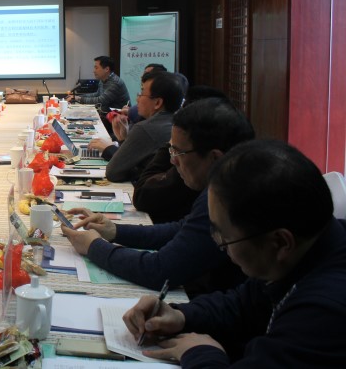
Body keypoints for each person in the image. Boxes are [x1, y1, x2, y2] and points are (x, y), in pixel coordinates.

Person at [123, 140, 346, 367]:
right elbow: (243, 304)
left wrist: (201, 353)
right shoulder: (303, 250)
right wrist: (182, 315)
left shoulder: (324, 315)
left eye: (224, 237)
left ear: (280, 242)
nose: (219, 245)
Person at [61, 98, 254, 298]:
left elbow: (160, 270)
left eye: (178, 152)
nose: (172, 160)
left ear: (214, 158)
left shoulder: (228, 199)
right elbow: (180, 229)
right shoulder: (226, 183)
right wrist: (115, 231)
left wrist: (94, 247)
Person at [132, 85, 229, 223]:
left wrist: (170, 145)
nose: (173, 160)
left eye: (142, 92)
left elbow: (142, 196)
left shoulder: (215, 190)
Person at [91, 71, 184, 182]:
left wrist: (109, 149)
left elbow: (113, 172)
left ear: (157, 103)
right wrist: (123, 140)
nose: (137, 99)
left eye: (142, 93)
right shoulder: (178, 122)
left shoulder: (146, 128)